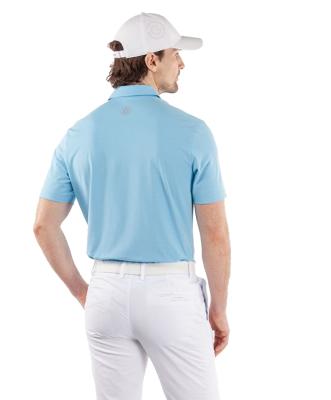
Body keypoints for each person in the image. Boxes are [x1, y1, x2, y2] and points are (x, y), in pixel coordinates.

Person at [33, 12, 231, 400]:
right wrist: (219, 310)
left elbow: (44, 225)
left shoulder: (79, 134)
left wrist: (83, 292)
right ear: (151, 60)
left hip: (105, 293)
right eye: (176, 54)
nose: (182, 63)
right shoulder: (193, 132)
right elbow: (215, 234)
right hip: (170, 294)